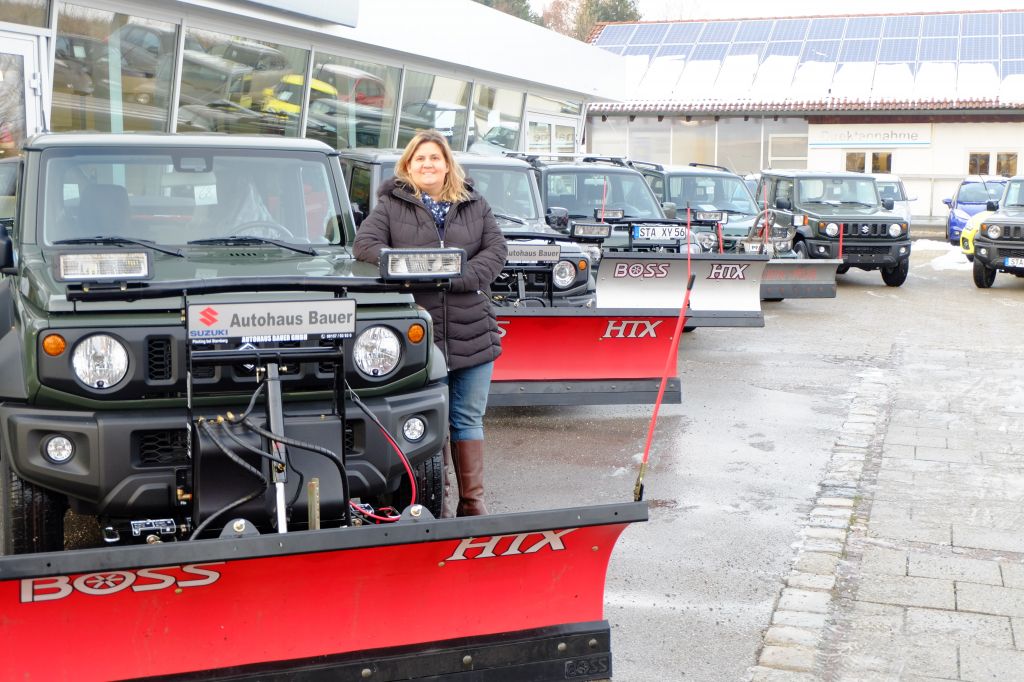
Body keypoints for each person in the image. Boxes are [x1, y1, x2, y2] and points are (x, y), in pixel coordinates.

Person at [353, 129, 507, 516]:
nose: (427, 164)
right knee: (427, 422)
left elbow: (497, 249)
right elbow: (365, 247)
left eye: (434, 158)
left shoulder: (475, 204)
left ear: (447, 164)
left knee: (467, 419)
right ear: (408, 164)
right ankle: (433, 500)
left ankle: (473, 505)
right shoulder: (390, 205)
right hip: (419, 336)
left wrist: (460, 276)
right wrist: (415, 271)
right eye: (420, 158)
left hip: (473, 331)